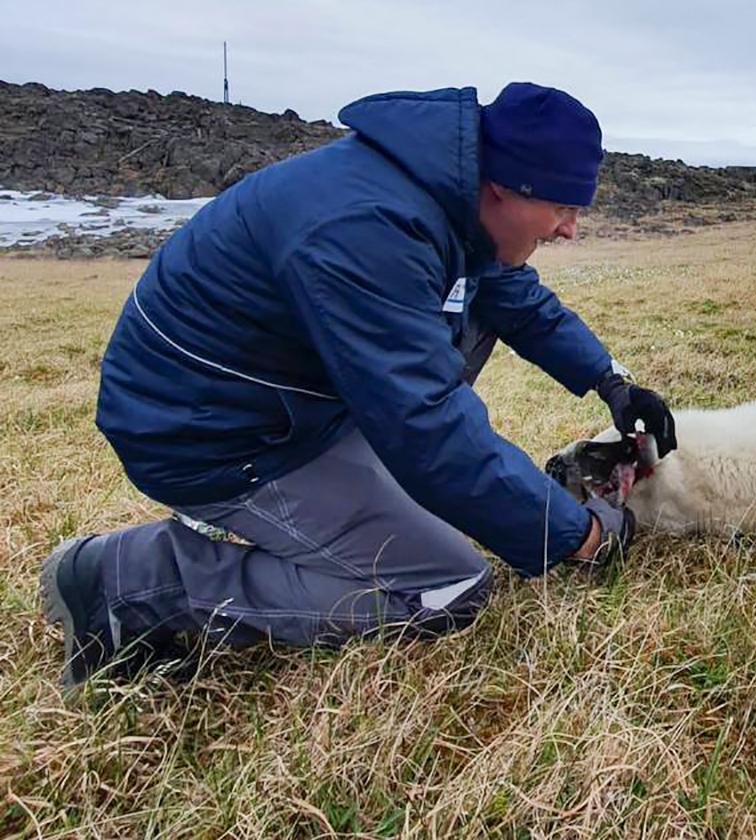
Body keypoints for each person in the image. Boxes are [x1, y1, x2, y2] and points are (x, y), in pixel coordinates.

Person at [38, 82, 677, 689]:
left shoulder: (444, 200)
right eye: (563, 207)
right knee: (446, 585)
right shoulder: (368, 228)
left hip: (283, 404)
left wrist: (612, 382)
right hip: (209, 433)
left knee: (450, 438)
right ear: (505, 187)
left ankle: (364, 497)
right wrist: (578, 537)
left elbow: (515, 301)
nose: (569, 228)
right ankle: (127, 581)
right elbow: (425, 423)